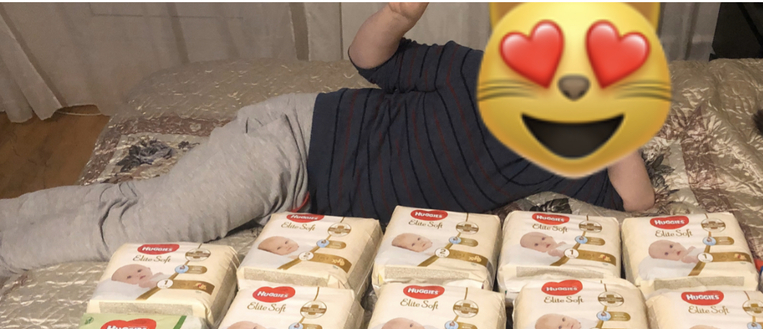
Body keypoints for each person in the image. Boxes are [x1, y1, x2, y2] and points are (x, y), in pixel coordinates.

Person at [0, 3, 654, 278]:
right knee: (151, 230)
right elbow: (370, 59)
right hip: (290, 146)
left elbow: (638, 205)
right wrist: (397, 14)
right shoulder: (476, 74)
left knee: (137, 204)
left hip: (303, 190)